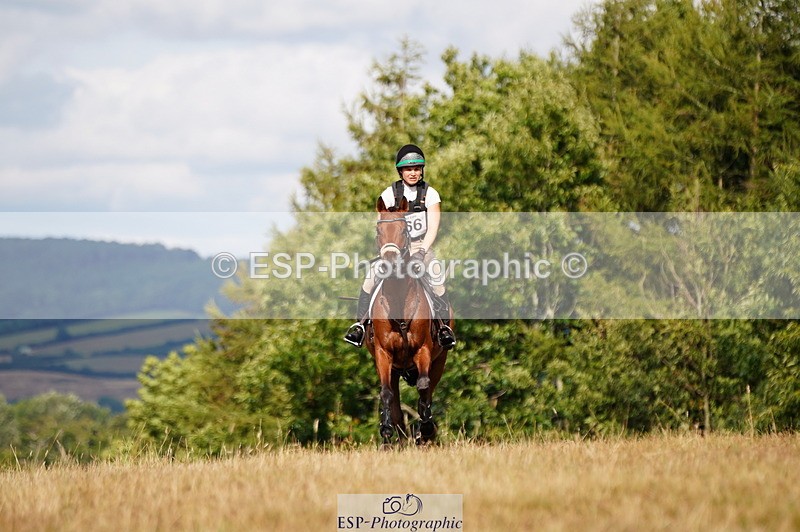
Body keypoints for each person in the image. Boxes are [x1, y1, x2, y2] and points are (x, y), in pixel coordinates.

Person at [344, 144, 457, 349]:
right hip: (393, 250)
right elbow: (381, 227)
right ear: (400, 172)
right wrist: (386, 252)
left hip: (421, 246)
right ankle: (359, 326)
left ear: (421, 170)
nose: (413, 173)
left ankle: (443, 329)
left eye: (417, 169)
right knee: (370, 278)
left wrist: (421, 252)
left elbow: (433, 227)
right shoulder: (389, 194)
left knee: (438, 280)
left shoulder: (430, 194)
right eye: (408, 169)